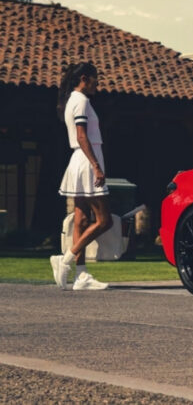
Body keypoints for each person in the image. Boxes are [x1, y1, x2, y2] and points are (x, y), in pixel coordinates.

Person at [49, 62, 112, 291]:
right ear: (85, 78)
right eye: (96, 79)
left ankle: (81, 275)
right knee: (105, 220)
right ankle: (65, 259)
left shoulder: (72, 101)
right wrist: (96, 166)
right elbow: (82, 136)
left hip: (79, 159)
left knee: (81, 219)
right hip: (87, 161)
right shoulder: (82, 101)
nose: (98, 84)